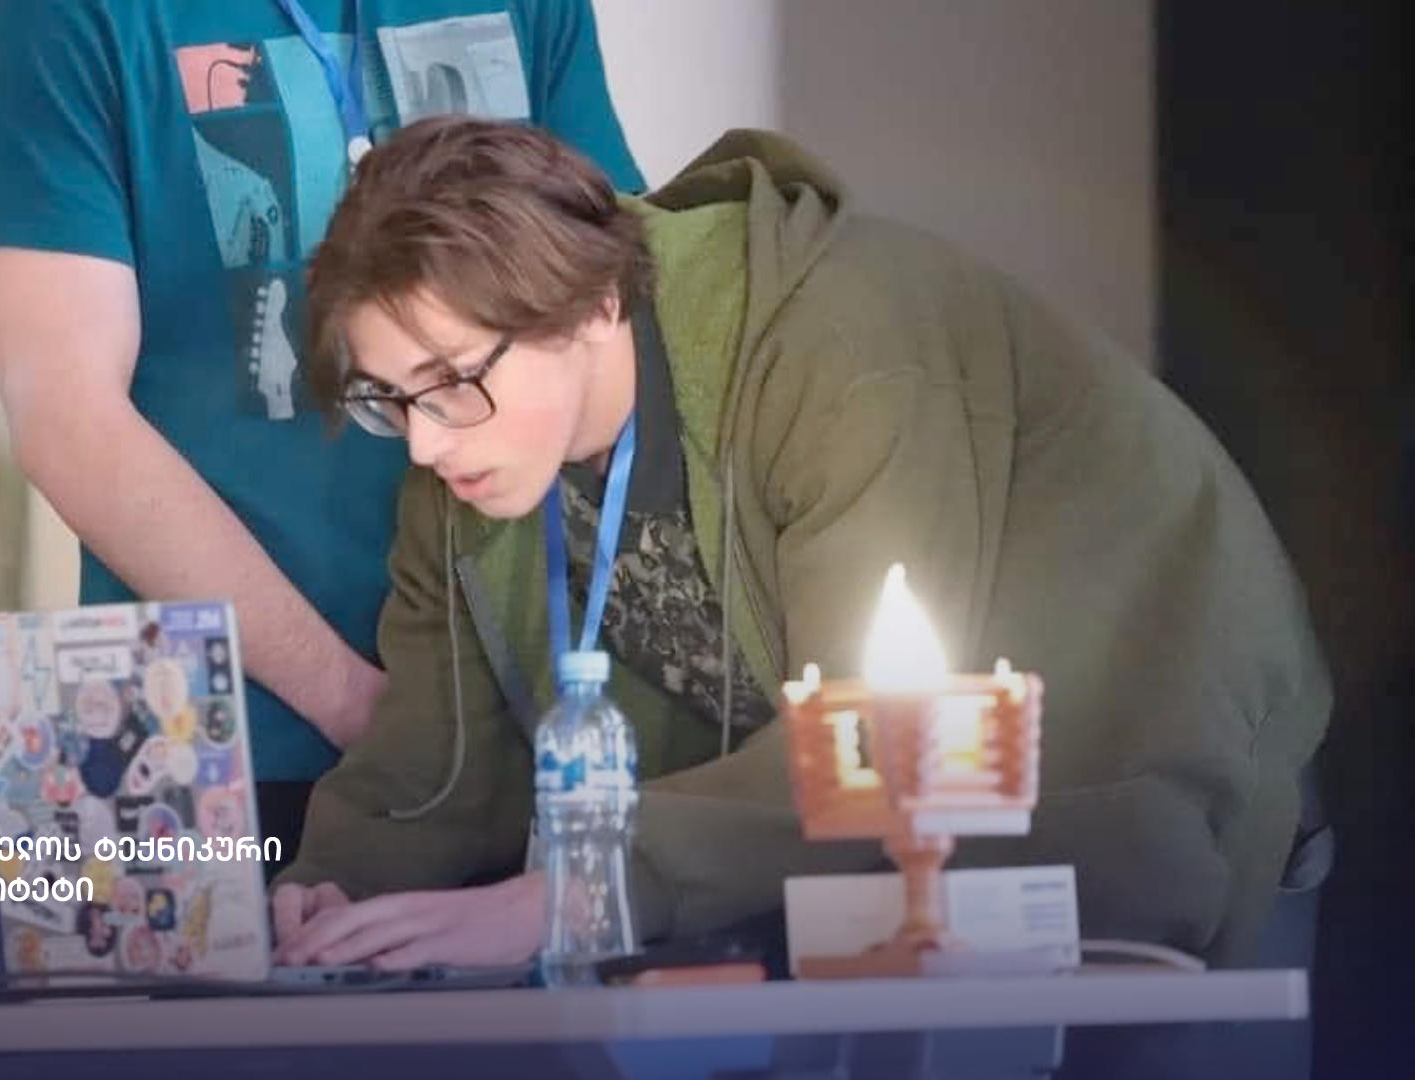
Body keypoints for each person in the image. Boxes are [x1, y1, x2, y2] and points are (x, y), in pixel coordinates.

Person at [270, 116, 1330, 973]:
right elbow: (434, 766)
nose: (422, 439)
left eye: (450, 381)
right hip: (868, 891)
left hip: (1134, 794)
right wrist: (322, 894)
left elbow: (878, 742)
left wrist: (573, 894)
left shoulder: (840, 347)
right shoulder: (465, 461)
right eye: (386, 398)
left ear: (594, 302)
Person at [0, 1, 644, 865]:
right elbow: (69, 423)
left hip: (535, 712)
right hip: (220, 741)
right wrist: (362, 707)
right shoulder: (58, 19)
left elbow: (611, 277)